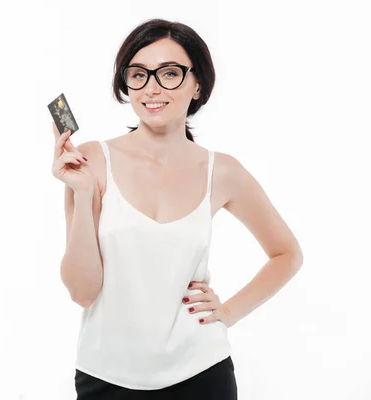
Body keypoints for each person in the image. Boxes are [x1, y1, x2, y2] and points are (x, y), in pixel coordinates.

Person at [51, 19, 303, 400]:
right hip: (106, 376)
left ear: (197, 84)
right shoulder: (91, 162)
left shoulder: (223, 171)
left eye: (170, 73)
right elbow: (83, 292)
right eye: (138, 74)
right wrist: (83, 196)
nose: (152, 87)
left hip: (202, 372)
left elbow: (287, 254)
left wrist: (229, 312)